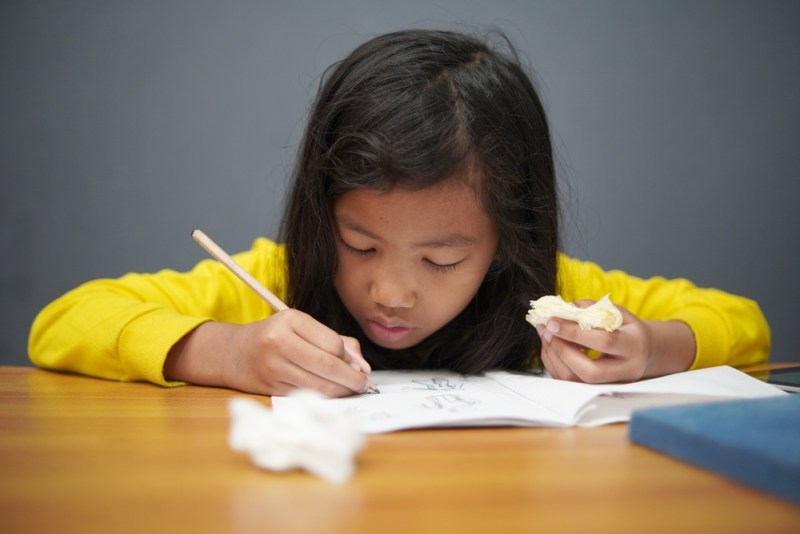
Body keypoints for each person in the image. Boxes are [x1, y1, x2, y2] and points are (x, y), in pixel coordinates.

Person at [28, 29, 770, 398]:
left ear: (510, 237)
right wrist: (225, 352)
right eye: (358, 243)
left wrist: (654, 348)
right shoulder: (274, 281)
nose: (390, 292)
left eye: (442, 260)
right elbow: (62, 321)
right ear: (321, 216)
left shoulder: (547, 296)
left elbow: (744, 322)